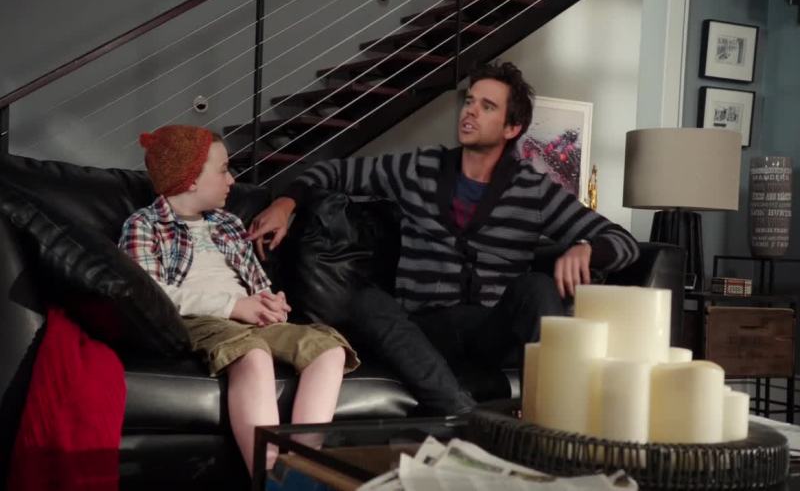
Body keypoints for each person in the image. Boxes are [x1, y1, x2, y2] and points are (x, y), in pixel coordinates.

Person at [248, 62, 639, 415]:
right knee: (366, 301)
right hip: (424, 330)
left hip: (491, 331)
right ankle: (465, 414)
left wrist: (587, 249)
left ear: (512, 128)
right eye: (470, 101)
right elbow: (333, 173)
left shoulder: (534, 191)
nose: (470, 111)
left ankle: (553, 420)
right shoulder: (419, 168)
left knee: (537, 287)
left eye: (487, 106)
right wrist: (285, 203)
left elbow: (622, 241)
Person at [118, 125, 359, 475]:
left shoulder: (228, 223)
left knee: (329, 349)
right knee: (254, 354)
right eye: (223, 170)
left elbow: (255, 282)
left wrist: (270, 302)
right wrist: (233, 307)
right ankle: (268, 477)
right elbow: (150, 294)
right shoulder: (145, 225)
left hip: (248, 317)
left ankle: (302, 471)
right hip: (199, 319)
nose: (232, 180)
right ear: (191, 180)